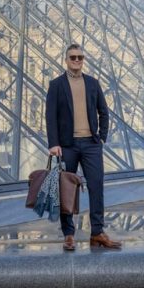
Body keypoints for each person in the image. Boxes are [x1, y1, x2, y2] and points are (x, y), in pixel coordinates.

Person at [45, 43, 121, 251]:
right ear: (66, 59)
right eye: (73, 57)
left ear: (83, 60)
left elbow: (103, 112)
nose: (76, 61)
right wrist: (53, 143)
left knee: (97, 187)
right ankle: (69, 234)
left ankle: (97, 232)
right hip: (67, 146)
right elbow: (50, 116)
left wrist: (102, 138)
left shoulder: (93, 83)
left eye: (80, 57)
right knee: (67, 190)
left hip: (91, 144)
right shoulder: (56, 85)